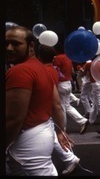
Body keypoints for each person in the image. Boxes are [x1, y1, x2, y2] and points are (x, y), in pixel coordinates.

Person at [6, 26, 72, 175]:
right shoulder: (43, 68)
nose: (9, 48)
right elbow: (56, 106)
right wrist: (60, 131)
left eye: (15, 44)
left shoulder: (19, 71)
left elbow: (14, 119)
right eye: (6, 43)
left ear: (31, 46)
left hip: (26, 141)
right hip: (43, 133)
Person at [37, 44, 80, 175]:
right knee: (52, 133)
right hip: (48, 106)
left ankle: (69, 157)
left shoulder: (44, 71)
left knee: (53, 134)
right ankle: (69, 157)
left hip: (45, 106)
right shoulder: (52, 69)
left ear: (39, 56)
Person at [53, 43, 89, 134]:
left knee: (62, 108)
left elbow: (57, 72)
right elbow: (72, 71)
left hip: (61, 83)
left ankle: (62, 129)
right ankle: (82, 121)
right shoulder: (68, 57)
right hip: (68, 83)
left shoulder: (57, 58)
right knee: (67, 106)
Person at [80, 58, 100, 124]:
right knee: (95, 102)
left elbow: (84, 74)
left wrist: (81, 71)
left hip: (94, 83)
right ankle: (91, 119)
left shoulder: (88, 64)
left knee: (98, 102)